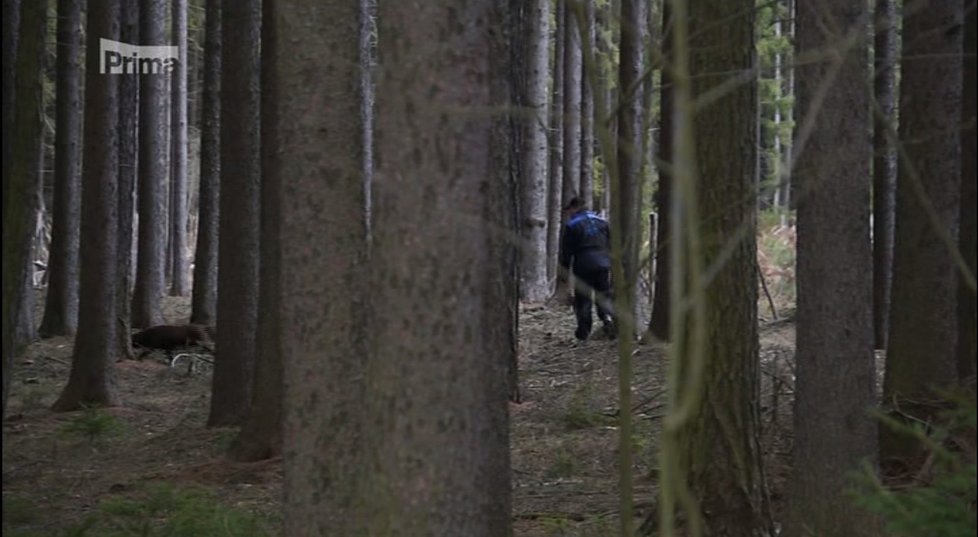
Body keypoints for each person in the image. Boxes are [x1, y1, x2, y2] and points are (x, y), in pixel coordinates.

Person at [559, 197, 615, 341]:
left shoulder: (572, 225)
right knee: (603, 294)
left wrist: (564, 275)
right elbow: (611, 244)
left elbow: (567, 252)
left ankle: (583, 332)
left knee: (583, 298)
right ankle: (607, 318)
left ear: (574, 208)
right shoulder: (602, 222)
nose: (569, 213)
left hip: (584, 264)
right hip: (603, 262)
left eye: (569, 210)